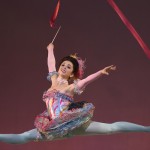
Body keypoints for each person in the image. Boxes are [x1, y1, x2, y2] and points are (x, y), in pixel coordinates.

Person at [0, 43, 150, 144]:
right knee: (25, 136)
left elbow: (86, 81)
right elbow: (51, 63)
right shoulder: (53, 79)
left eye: (68, 67)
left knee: (111, 128)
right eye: (63, 65)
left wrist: (101, 72)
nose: (64, 67)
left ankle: (147, 129)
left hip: (72, 122)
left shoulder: (72, 86)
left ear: (72, 73)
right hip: (53, 126)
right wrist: (50, 49)